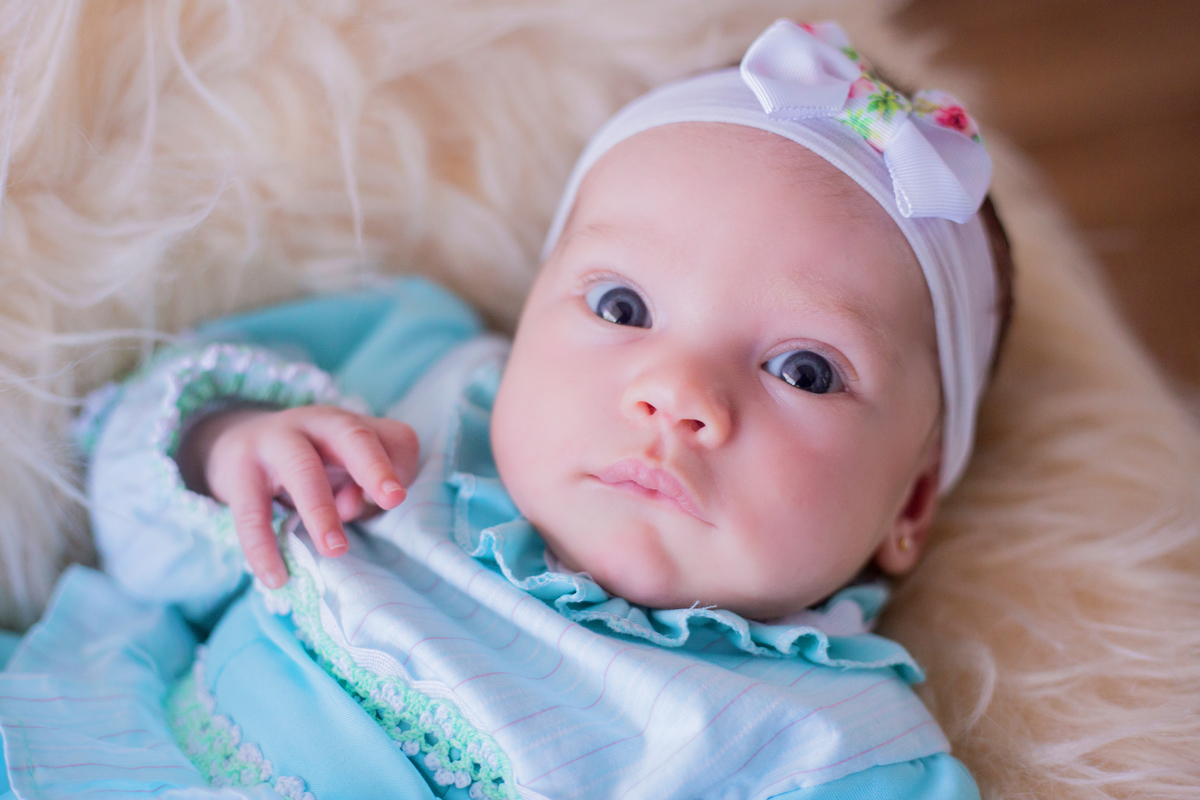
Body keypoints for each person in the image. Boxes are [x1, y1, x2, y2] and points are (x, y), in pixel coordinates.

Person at [0, 20, 1010, 800]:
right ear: (530, 315)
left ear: (909, 504)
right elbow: (131, 530)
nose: (678, 393)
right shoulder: (414, 391)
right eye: (623, 306)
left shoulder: (838, 747)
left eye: (804, 367)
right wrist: (231, 448)